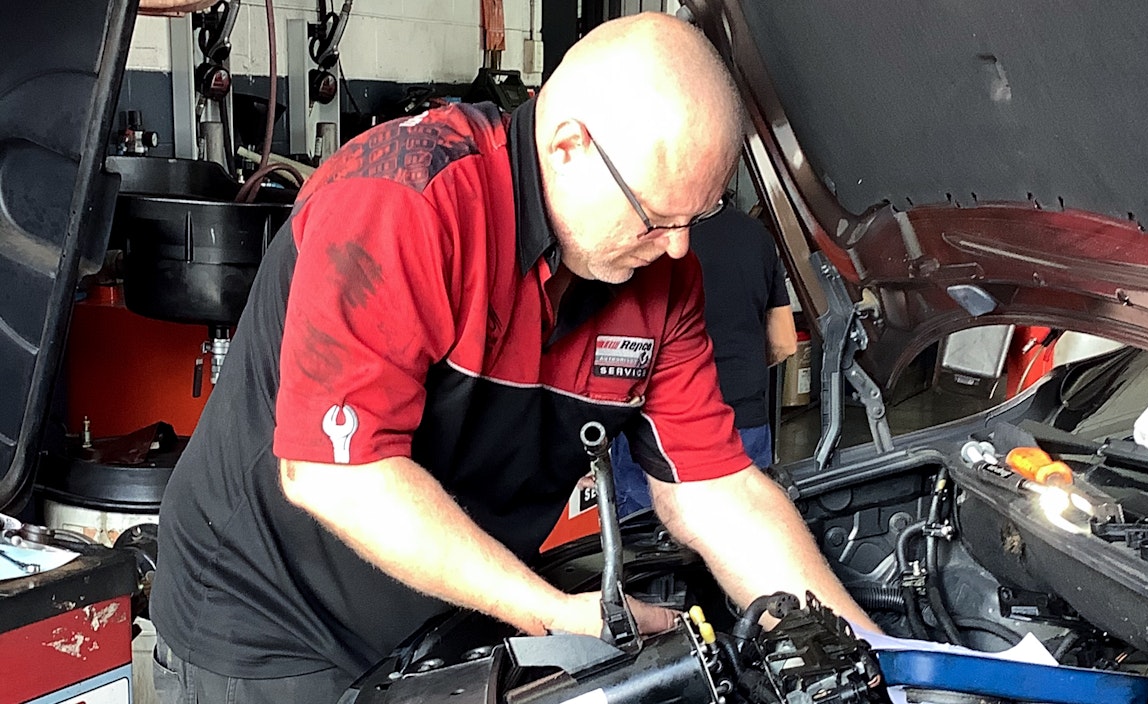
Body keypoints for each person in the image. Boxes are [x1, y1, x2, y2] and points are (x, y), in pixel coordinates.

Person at [150, 12, 877, 703]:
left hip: (445, 614)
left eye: (698, 216)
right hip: (267, 625)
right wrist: (546, 610)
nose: (681, 247)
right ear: (568, 145)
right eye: (657, 216)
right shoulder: (407, 197)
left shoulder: (659, 270)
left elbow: (715, 490)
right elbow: (337, 473)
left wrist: (872, 652)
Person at [611, 203, 796, 516]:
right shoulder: (757, 236)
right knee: (744, 537)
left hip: (656, 427)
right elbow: (784, 341)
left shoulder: (639, 235)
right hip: (744, 421)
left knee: (648, 547)